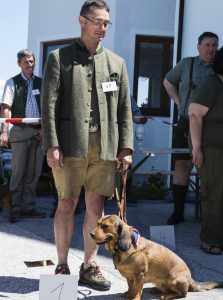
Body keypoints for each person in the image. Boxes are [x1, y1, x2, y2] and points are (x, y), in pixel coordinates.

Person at [41, 0, 133, 291]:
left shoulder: (117, 63)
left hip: (105, 149)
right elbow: (49, 105)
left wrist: (126, 147)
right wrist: (52, 144)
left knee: (96, 206)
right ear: (82, 21)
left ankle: (89, 266)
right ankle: (62, 266)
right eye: (97, 22)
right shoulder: (60, 57)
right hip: (70, 146)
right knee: (66, 204)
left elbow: (124, 110)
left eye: (106, 23)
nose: (102, 28)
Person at [163, 31, 218, 225]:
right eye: (207, 45)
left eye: (214, 45)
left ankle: (208, 215)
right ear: (198, 46)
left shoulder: (221, 67)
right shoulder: (187, 64)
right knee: (182, 166)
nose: (211, 49)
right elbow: (167, 81)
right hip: (186, 122)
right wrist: (179, 102)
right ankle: (178, 212)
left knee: (211, 169)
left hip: (211, 126)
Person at [0, 49, 45, 222]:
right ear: (19, 63)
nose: (30, 65)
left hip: (39, 131)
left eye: (32, 61)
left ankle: (29, 206)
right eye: (26, 62)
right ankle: (15, 207)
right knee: (18, 172)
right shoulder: (12, 82)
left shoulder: (41, 83)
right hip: (19, 131)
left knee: (34, 172)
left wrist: (44, 129)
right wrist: (5, 131)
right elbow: (5, 108)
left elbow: (48, 108)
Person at [188, 44, 223, 255]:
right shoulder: (211, 83)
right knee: (214, 194)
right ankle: (210, 239)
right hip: (211, 149)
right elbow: (194, 115)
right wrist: (197, 148)